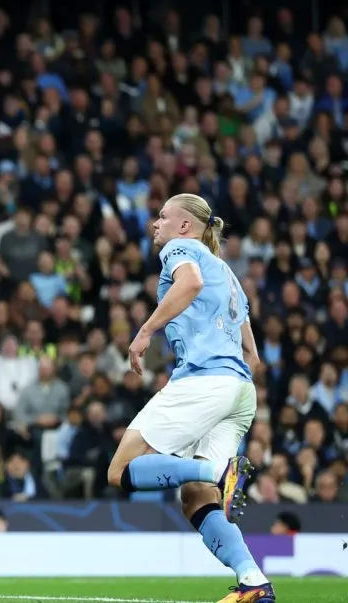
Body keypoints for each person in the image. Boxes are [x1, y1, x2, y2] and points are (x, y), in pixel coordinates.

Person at [107, 194, 272, 603]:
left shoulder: (183, 250)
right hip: (239, 392)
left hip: (205, 382)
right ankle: (254, 582)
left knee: (121, 469)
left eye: (163, 216)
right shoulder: (229, 275)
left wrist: (145, 331)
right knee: (196, 500)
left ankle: (218, 473)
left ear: (185, 226)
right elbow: (252, 353)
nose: (155, 224)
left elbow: (190, 283)